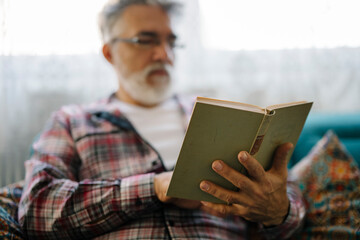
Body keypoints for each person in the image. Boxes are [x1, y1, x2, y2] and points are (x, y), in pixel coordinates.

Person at [18, 0, 305, 239]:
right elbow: (36, 212)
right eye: (146, 40)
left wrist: (277, 211)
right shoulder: (72, 121)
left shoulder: (222, 117)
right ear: (109, 53)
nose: (164, 54)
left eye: (171, 42)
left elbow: (292, 212)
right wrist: (155, 188)